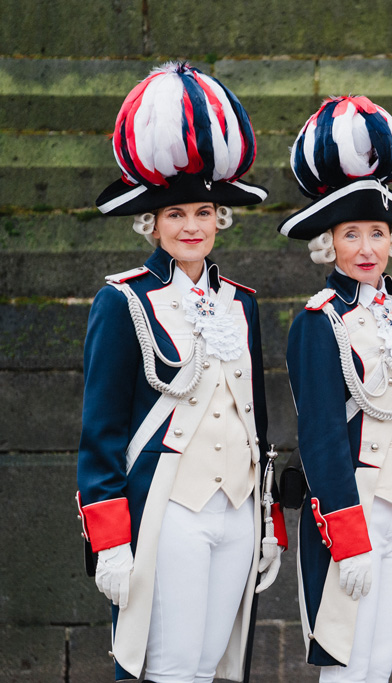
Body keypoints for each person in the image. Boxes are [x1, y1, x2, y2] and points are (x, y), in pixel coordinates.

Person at [76, 62, 285, 683]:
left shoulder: (241, 302)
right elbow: (102, 430)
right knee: (167, 668)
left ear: (219, 218)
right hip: (167, 511)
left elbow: (257, 422)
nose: (192, 227)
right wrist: (111, 539)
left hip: (235, 510)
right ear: (153, 223)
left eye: (202, 213)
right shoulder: (123, 301)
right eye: (176, 216)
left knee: (211, 665)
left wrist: (267, 521)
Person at [278, 96, 392, 683]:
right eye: (353, 234)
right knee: (347, 667)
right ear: (331, 244)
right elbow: (320, 436)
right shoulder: (317, 321)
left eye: (378, 232)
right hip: (357, 512)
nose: (368, 248)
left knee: (380, 664)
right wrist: (347, 536)